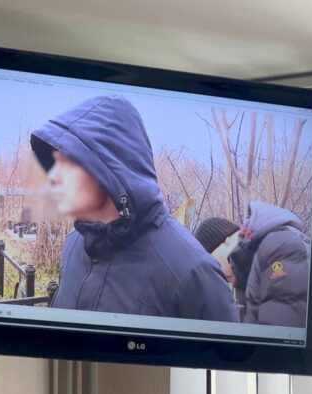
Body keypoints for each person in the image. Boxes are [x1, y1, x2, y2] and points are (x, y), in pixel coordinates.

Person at [30, 95, 240, 323]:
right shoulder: (74, 245)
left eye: (68, 164)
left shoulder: (192, 272)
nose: (54, 177)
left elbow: (226, 357)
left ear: (107, 167)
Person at [194, 201, 311, 327]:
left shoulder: (277, 248)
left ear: (226, 241)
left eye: (212, 264)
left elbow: (281, 332)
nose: (216, 274)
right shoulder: (247, 271)